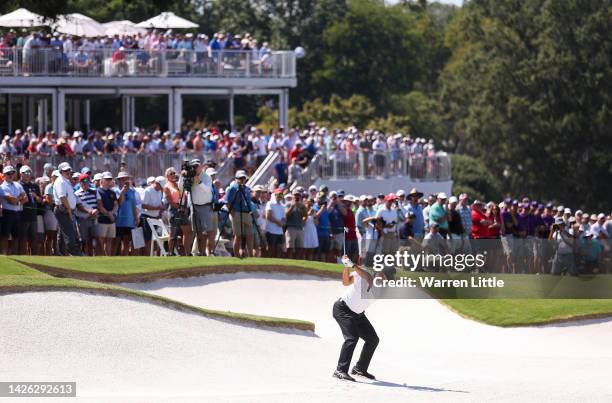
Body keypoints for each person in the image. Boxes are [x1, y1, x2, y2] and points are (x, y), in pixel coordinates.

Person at [332, 255, 385, 382]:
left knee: (373, 339)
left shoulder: (381, 288)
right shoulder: (363, 274)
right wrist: (346, 267)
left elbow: (369, 279)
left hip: (358, 314)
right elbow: (346, 282)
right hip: (342, 309)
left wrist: (352, 265)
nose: (383, 277)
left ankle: (359, 368)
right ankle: (340, 370)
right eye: (381, 273)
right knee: (352, 338)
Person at [180, 159, 216, 256]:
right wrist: (182, 176)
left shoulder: (206, 176)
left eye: (197, 166)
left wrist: (199, 182)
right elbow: (181, 188)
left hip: (205, 206)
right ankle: (200, 252)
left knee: (206, 232)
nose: (195, 168)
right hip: (194, 206)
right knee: (197, 231)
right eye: (193, 166)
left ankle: (205, 252)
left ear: (201, 166)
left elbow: (208, 190)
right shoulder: (189, 175)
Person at [52, 162, 83, 256]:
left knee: (63, 233)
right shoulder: (60, 181)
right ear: (61, 172)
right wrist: (69, 210)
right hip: (63, 209)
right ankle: (74, 252)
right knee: (69, 232)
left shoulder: (65, 181)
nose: (68, 172)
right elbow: (63, 197)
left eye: (69, 170)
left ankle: (60, 253)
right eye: (66, 171)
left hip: (65, 209)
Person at [224, 170, 254, 257]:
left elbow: (248, 201)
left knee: (250, 235)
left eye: (243, 178)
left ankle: (251, 255)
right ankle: (236, 255)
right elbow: (227, 202)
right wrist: (232, 212)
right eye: (240, 178)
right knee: (238, 236)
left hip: (247, 213)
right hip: (237, 213)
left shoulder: (247, 189)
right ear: (236, 179)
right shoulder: (232, 188)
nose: (242, 180)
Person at [164, 167, 192, 256]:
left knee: (187, 231)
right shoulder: (167, 186)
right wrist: (179, 207)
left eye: (174, 173)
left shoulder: (179, 184)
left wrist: (185, 207)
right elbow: (170, 201)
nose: (173, 175)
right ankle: (170, 252)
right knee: (173, 233)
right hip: (174, 210)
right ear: (167, 176)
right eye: (171, 173)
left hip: (183, 208)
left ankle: (188, 252)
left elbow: (185, 196)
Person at [1, 165, 27, 255]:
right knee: (5, 235)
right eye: (8, 173)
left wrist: (17, 200)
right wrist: (19, 198)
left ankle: (15, 256)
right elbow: (11, 201)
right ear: (4, 175)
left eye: (12, 173)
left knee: (16, 236)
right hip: (7, 213)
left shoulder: (18, 185)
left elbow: (25, 198)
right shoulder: (2, 187)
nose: (11, 175)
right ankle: (4, 255)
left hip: (17, 213)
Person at [18, 165, 43, 255]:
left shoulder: (35, 186)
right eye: (26, 173)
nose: (28, 174)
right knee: (23, 238)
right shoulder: (18, 185)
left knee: (34, 238)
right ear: (21, 174)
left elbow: (41, 201)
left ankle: (35, 258)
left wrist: (35, 196)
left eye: (29, 172)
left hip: (33, 215)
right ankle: (23, 258)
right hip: (22, 215)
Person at [74, 174, 99, 256]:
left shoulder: (94, 191)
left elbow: (99, 203)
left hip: (93, 219)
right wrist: (90, 212)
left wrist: (96, 212)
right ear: (80, 182)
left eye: (87, 181)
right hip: (83, 220)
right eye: (84, 181)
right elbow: (79, 206)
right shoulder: (77, 193)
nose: (86, 183)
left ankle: (92, 256)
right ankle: (83, 255)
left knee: (93, 239)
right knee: (83, 240)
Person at [115, 171, 138, 256]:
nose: (125, 181)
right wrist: (122, 192)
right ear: (119, 180)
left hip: (129, 221)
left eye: (127, 179)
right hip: (118, 221)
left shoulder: (132, 192)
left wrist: (136, 218)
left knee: (126, 243)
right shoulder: (116, 191)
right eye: (123, 179)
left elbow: (134, 206)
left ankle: (124, 260)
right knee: (116, 243)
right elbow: (119, 203)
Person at [141, 176, 165, 255]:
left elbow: (159, 203)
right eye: (160, 186)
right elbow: (143, 205)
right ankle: (147, 257)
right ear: (156, 183)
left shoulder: (159, 191)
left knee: (153, 239)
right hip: (146, 218)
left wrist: (159, 210)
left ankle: (151, 255)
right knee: (147, 240)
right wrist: (156, 208)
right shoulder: (147, 191)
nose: (161, 189)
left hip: (155, 218)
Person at [96, 172, 118, 256]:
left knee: (109, 241)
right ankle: (100, 259)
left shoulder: (112, 192)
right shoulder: (98, 191)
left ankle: (108, 258)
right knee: (100, 241)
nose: (109, 181)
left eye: (110, 179)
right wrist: (110, 214)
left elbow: (116, 204)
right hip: (102, 219)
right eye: (107, 179)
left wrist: (111, 213)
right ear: (102, 180)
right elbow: (99, 206)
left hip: (111, 220)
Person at [285, 190, 308, 259]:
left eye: (298, 195)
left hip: (299, 228)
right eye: (295, 195)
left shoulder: (302, 205)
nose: (296, 197)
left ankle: (297, 262)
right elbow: (286, 215)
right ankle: (289, 261)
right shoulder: (288, 204)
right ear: (292, 196)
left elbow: (305, 216)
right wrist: (292, 207)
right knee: (290, 247)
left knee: (300, 247)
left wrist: (303, 211)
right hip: (291, 227)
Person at [264, 188, 286, 258]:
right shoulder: (270, 203)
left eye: (281, 194)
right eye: (278, 194)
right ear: (275, 195)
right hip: (271, 230)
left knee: (279, 249)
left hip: (279, 232)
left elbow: (284, 218)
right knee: (271, 249)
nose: (279, 196)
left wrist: (282, 223)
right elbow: (268, 216)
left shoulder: (283, 206)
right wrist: (278, 222)